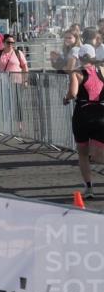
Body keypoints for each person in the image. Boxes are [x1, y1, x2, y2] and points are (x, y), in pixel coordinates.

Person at [65, 60, 104, 199]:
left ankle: (89, 188)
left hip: (82, 116)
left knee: (83, 154)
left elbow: (73, 93)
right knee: (98, 156)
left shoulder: (77, 73)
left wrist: (66, 98)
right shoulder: (102, 70)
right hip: (100, 114)